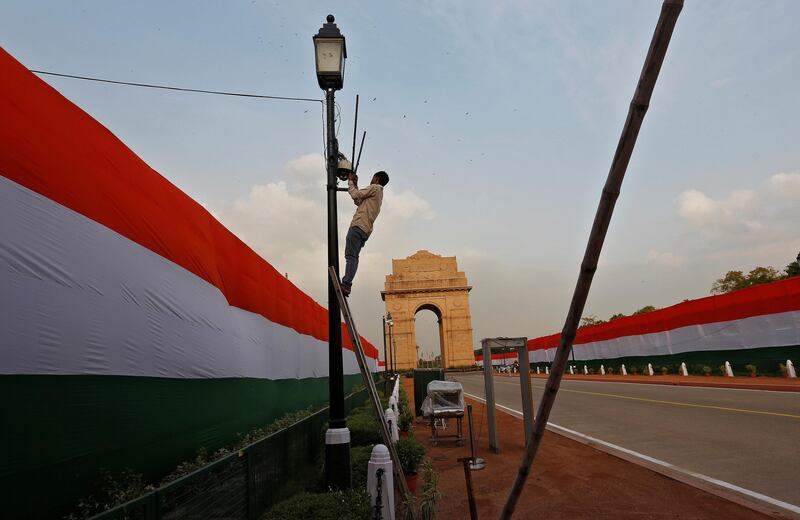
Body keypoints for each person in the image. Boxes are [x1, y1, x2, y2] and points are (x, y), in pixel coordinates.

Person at [341, 166, 389, 296]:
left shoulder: (375, 187)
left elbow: (355, 195)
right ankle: (347, 284)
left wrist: (350, 182)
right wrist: (354, 184)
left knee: (351, 256)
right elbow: (358, 200)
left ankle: (346, 284)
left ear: (377, 179)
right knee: (354, 257)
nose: (371, 180)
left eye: (373, 177)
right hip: (365, 230)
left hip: (358, 225)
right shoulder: (378, 193)